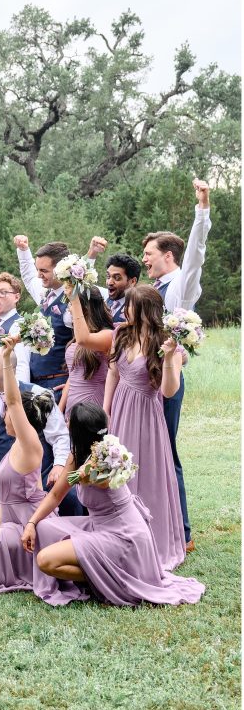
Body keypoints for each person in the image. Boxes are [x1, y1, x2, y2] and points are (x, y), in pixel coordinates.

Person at [21, 403, 205, 607]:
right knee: (44, 526)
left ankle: (114, 580)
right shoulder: (78, 455)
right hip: (98, 526)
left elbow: (102, 480)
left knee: (46, 560)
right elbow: (56, 494)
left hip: (123, 535)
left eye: (68, 421)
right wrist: (31, 522)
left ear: (77, 431)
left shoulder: (107, 457)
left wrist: (83, 474)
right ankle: (102, 574)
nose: (65, 423)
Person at [0, 336, 86, 605]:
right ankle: (26, 565)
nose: (5, 416)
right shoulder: (14, 448)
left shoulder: (29, 443)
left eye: (10, 412)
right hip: (11, 517)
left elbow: (15, 401)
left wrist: (7, 361)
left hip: (32, 518)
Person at [142, 177, 212, 553]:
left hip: (166, 378)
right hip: (141, 380)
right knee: (147, 453)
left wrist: (202, 210)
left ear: (168, 255)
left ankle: (181, 533)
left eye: (150, 253)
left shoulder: (182, 284)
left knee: (167, 452)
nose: (145, 259)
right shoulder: (151, 290)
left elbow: (197, 252)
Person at [103, 285, 186, 570]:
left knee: (146, 474)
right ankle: (120, 540)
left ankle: (151, 543)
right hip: (121, 411)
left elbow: (168, 391)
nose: (124, 310)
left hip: (147, 416)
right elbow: (113, 373)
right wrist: (106, 409)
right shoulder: (120, 334)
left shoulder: (166, 341)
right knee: (118, 475)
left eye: (130, 305)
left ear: (145, 310)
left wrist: (170, 359)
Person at [0, 346, 70, 499]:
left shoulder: (38, 394)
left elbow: (59, 436)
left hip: (46, 481)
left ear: (8, 367)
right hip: (9, 492)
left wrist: (59, 465)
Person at [12, 237, 73, 397]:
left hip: (59, 384)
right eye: (38, 269)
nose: (39, 276)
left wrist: (72, 383)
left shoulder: (73, 304)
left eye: (44, 271)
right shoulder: (46, 293)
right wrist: (24, 251)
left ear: (61, 269)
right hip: (36, 383)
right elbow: (29, 277)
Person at [59, 285, 114, 420]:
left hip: (93, 404)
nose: (69, 309)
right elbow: (73, 376)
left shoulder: (108, 334)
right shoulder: (77, 336)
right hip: (72, 403)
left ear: (84, 307)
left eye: (71, 304)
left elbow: (84, 340)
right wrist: (60, 408)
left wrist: (75, 299)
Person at [104, 253, 141, 324]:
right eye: (108, 276)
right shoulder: (106, 301)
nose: (109, 282)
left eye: (117, 278)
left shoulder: (137, 307)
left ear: (133, 281)